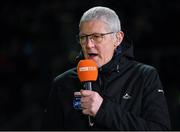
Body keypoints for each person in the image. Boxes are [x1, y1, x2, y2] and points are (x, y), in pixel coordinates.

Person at [42, 6, 171, 130]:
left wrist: (103, 109)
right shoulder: (63, 83)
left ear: (118, 38)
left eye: (96, 37)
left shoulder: (144, 76)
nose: (88, 45)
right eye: (83, 38)